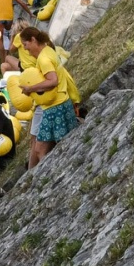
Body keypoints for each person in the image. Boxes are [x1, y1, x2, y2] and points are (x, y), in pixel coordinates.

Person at [18, 27, 78, 168]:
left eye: (25, 45)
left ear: (33, 40)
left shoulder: (43, 59)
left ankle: (51, 173)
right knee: (61, 144)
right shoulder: (49, 50)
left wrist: (30, 89)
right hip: (62, 102)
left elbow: (52, 81)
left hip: (55, 107)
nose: (26, 50)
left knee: (40, 150)